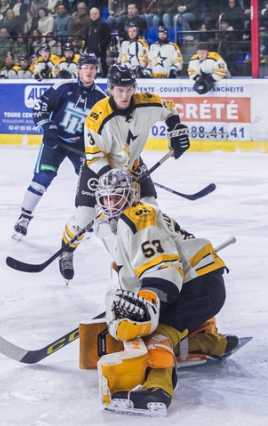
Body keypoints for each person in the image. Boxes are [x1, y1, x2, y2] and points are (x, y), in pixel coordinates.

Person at [91, 169, 240, 416]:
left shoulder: (138, 216)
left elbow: (162, 264)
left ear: (131, 195)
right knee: (162, 328)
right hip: (197, 282)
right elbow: (129, 271)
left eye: (116, 197)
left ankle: (157, 390)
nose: (110, 204)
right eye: (106, 198)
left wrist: (151, 295)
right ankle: (214, 344)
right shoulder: (119, 224)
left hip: (196, 286)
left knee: (156, 335)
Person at [57, 64, 191, 282]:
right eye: (119, 89)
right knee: (84, 216)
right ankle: (67, 250)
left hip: (132, 164)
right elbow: (94, 157)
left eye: (129, 89)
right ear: (110, 88)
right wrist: (114, 180)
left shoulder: (147, 103)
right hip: (99, 168)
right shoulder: (97, 117)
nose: (125, 95)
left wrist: (175, 130)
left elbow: (169, 109)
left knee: (151, 208)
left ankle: (158, 256)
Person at [12, 54, 105, 240]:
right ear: (78, 70)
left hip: (80, 145)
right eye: (85, 67)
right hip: (56, 140)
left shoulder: (101, 98)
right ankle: (24, 218)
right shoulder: (64, 87)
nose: (89, 71)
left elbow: (104, 128)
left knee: (88, 181)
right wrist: (48, 127)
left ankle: (85, 220)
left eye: (93, 68)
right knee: (43, 177)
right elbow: (40, 108)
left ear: (97, 71)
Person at [85, 7, 112, 75]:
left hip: (101, 52)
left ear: (99, 14)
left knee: (102, 67)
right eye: (92, 14)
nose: (93, 15)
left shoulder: (104, 25)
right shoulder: (89, 26)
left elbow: (108, 38)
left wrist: (101, 46)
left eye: (95, 14)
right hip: (90, 51)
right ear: (90, 15)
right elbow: (87, 39)